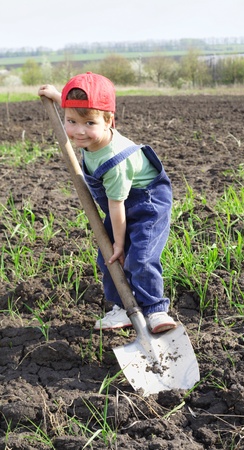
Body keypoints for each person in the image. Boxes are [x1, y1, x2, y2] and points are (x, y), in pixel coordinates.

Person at [38, 72, 176, 334]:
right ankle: (122, 308)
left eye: (89, 122)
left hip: (147, 205)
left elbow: (116, 206)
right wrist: (57, 96)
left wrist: (120, 244)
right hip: (120, 204)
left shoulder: (114, 160)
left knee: (139, 258)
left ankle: (156, 308)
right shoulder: (88, 133)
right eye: (71, 120)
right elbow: (76, 111)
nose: (79, 131)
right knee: (107, 259)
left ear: (109, 120)